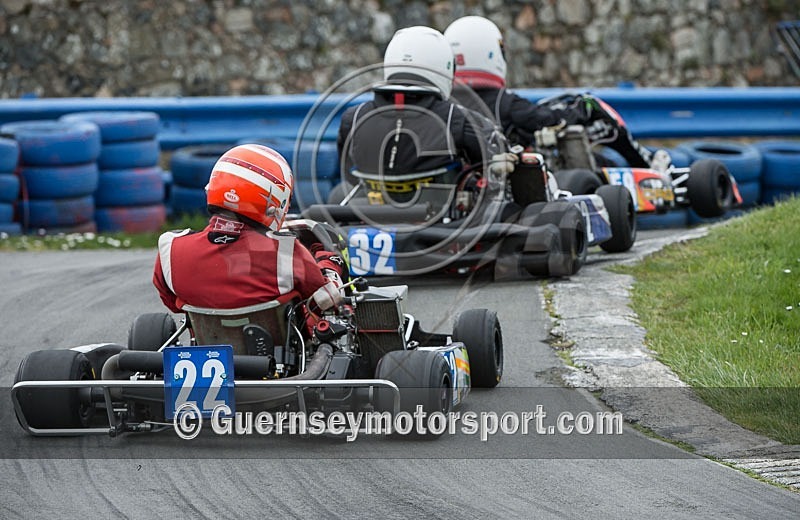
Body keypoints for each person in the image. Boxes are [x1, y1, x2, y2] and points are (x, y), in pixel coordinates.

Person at [443, 15, 669, 171]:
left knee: (601, 160)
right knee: (592, 110)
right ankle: (648, 167)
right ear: (491, 54)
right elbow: (552, 120)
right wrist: (582, 110)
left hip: (464, 181)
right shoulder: (507, 104)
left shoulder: (442, 105)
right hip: (513, 181)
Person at [153, 144, 345, 318]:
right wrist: (328, 263)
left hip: (206, 342)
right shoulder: (285, 251)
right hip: (275, 353)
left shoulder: (171, 247)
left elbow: (174, 305)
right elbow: (326, 300)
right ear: (273, 204)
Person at [337, 25, 515, 202]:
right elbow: (501, 168)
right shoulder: (459, 119)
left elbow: (350, 177)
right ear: (444, 67)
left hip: (369, 218)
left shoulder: (352, 118)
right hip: (441, 225)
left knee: (337, 194)